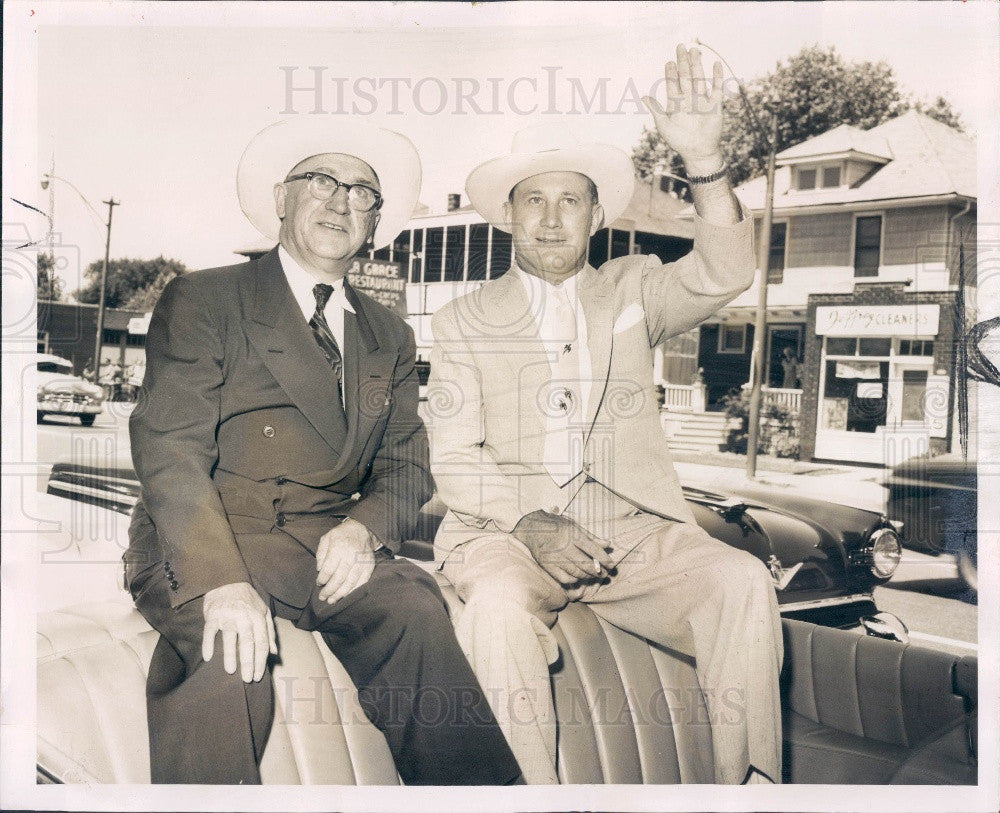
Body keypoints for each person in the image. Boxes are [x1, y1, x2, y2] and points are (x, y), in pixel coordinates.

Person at [124, 118, 521, 785]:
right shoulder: (207, 297)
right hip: (204, 534)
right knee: (231, 656)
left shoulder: (389, 333)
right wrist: (221, 582)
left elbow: (404, 462)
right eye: (322, 181)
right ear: (282, 198)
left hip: (321, 544)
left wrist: (365, 530)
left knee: (417, 607)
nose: (341, 201)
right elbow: (170, 448)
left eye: (363, 191)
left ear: (375, 221)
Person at [428, 45, 782, 785]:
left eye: (571, 200)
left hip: (632, 537)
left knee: (742, 579)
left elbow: (726, 269)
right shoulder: (463, 317)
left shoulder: (633, 287)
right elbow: (456, 455)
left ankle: (748, 792)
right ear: (507, 215)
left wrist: (706, 159)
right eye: (534, 199)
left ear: (596, 213)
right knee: (492, 609)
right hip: (508, 532)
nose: (552, 219)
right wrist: (533, 521)